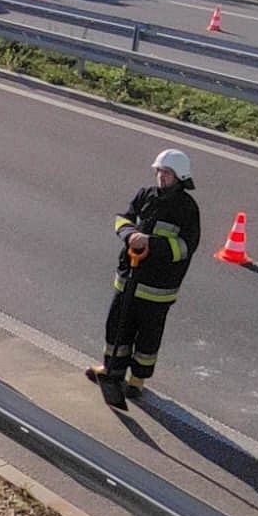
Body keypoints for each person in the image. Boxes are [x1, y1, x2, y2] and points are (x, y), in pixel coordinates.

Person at [86, 148, 201, 404]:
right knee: (117, 327)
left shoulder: (186, 209)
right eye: (159, 171)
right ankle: (111, 371)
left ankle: (137, 381)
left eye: (167, 173)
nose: (161, 177)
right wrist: (129, 235)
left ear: (180, 177)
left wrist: (151, 243)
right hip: (128, 279)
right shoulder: (145, 195)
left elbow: (185, 247)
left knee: (147, 336)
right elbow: (123, 218)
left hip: (157, 288)